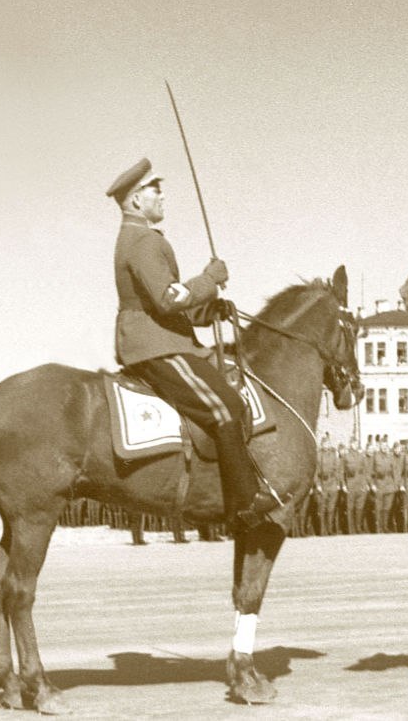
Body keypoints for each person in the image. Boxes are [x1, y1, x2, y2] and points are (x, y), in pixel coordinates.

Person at [107, 157, 280, 535]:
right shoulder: (142, 241)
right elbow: (169, 298)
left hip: (162, 336)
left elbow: (164, 305)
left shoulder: (141, 239)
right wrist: (210, 279)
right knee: (227, 407)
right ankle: (244, 504)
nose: (163, 196)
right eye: (156, 190)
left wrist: (208, 310)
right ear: (136, 200)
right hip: (156, 347)